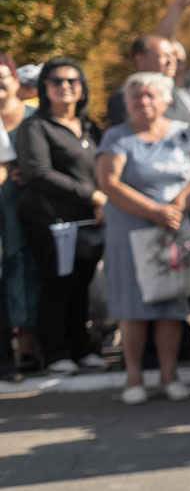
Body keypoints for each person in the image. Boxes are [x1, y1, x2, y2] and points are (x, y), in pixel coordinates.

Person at [95, 72, 190, 404]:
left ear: (165, 101)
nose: (143, 101)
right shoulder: (116, 137)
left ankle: (168, 374)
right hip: (131, 230)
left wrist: (178, 204)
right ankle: (133, 377)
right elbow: (110, 182)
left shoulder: (184, 133)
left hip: (173, 228)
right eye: (136, 96)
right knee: (133, 308)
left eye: (149, 95)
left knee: (171, 307)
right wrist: (153, 210)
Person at [13, 57, 107, 375]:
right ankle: (55, 352)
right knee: (56, 285)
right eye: (57, 81)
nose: (65, 87)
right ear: (44, 88)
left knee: (81, 284)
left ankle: (82, 347)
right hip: (51, 221)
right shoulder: (35, 127)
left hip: (89, 222)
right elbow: (38, 173)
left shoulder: (90, 126)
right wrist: (92, 194)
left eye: (72, 81)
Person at [0, 56, 40, 375]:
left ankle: (29, 348)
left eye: (3, 77)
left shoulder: (35, 119)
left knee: (26, 274)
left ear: (16, 81)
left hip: (29, 210)